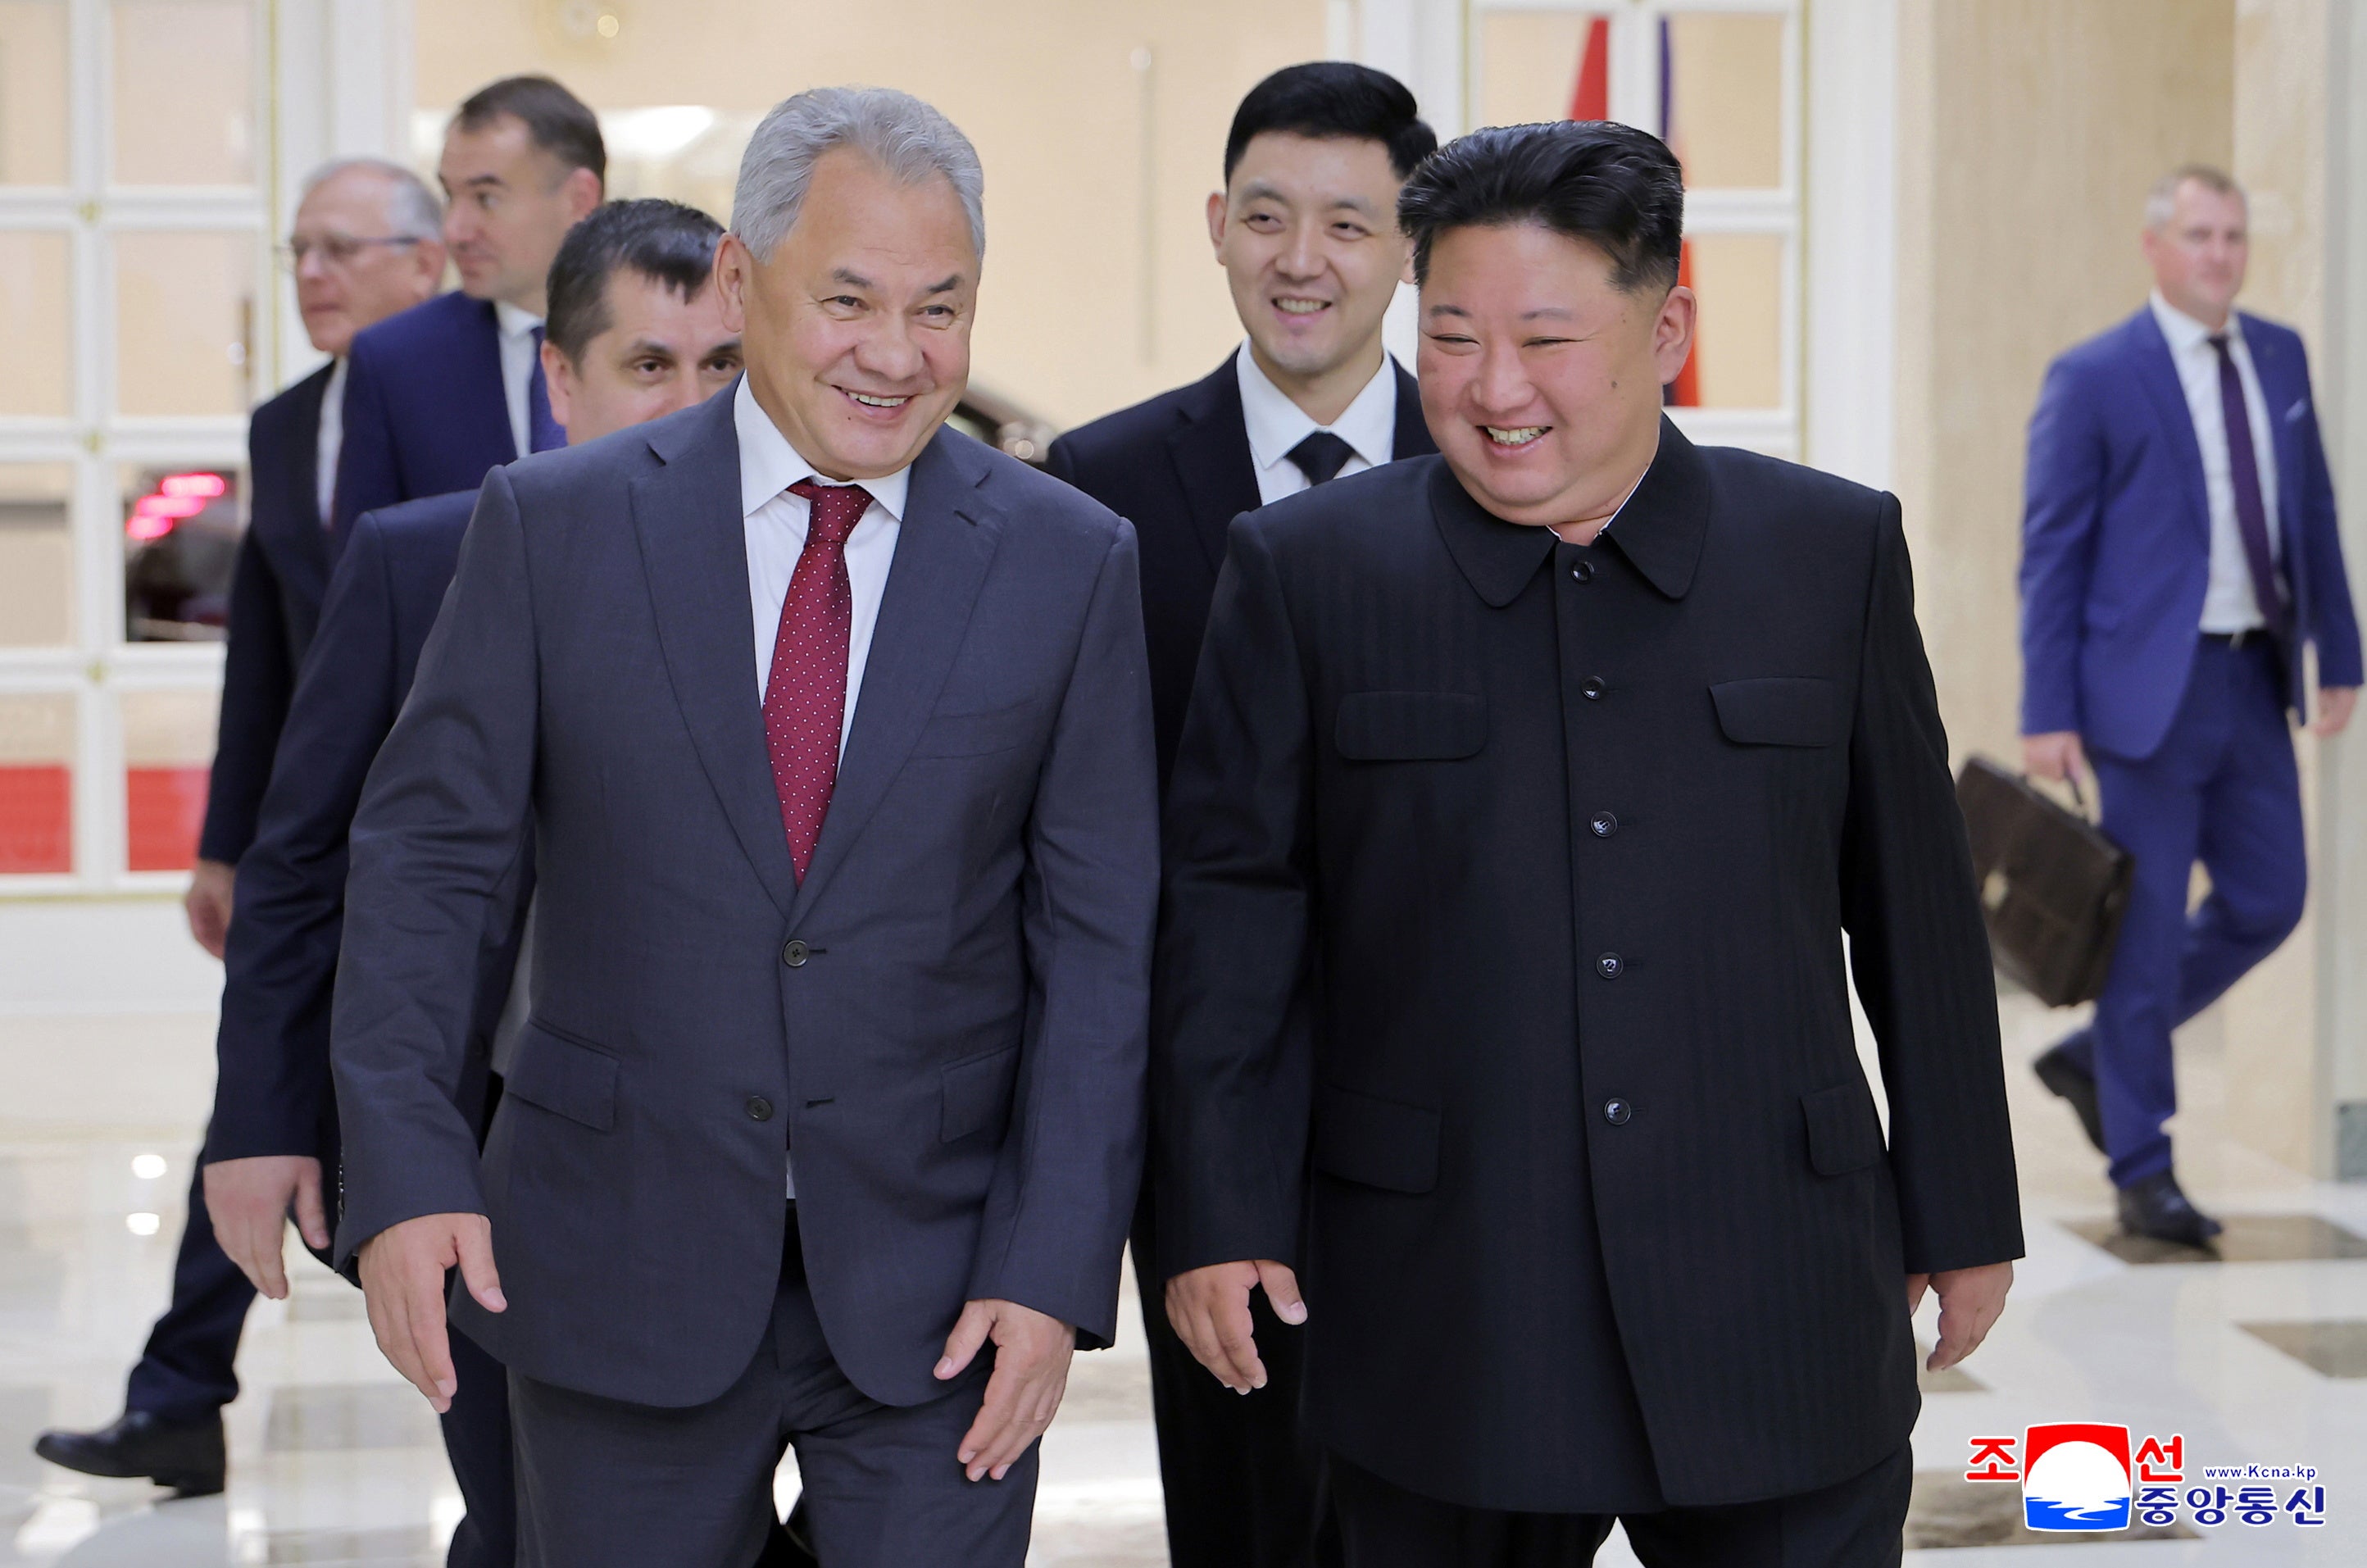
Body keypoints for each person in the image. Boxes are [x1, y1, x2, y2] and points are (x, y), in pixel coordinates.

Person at [1154, 120, 2024, 1567]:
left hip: (1775, 1289)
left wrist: (1964, 1205)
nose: (1495, 391)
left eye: (1547, 338)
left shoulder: (1824, 552)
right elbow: (1235, 910)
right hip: (1445, 1299)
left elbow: (1915, 908)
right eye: (1451, 337)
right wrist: (1219, 1208)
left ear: (1667, 323)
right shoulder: (1308, 571)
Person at [330, 87, 1157, 1568]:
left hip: (941, 1292)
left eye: (939, 306)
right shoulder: (553, 524)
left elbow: (1096, 939)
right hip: (609, 1256)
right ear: (737, 276)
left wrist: (1052, 1266)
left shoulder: (1067, 560)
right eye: (847, 299)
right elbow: (427, 866)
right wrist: (406, 1167)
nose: (897, 355)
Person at [193, 198, 743, 1568]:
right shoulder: (418, 557)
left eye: (721, 366)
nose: (692, 402)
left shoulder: (805, 571)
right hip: (483, 1150)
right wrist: (257, 1122)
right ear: (561, 381)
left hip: (728, 1158)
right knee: (525, 1514)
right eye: (648, 365)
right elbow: (304, 857)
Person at [1044, 61, 1434, 1568]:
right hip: (1214, 1112)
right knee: (1248, 1507)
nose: (1301, 258)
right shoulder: (1107, 488)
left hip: (1461, 1100)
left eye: (1348, 223)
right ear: (1215, 226)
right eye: (1265, 215)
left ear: (1408, 243)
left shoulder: (1491, 465)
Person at [32, 157, 444, 1501]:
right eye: (298, 251)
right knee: (255, 1095)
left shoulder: (492, 409)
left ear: (425, 262)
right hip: (322, 838)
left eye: (342, 247)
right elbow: (263, 657)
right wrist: (225, 843)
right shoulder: (281, 426)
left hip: (448, 837)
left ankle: (187, 1386)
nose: (312, 274)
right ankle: (179, 1389)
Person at [2021, 166, 2360, 1247]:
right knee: (2147, 929)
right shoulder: (2097, 376)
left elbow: (2313, 511)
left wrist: (2338, 651)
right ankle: (2142, 1162)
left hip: (2253, 677)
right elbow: (2053, 553)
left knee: (2270, 897)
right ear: (2156, 246)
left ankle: (2094, 1061)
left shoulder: (2278, 354)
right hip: (2141, 700)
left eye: (2233, 235)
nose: (2220, 253)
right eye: (2200, 235)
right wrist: (2048, 704)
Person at [331, 75, 603, 534]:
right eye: (450, 196)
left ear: (579, 199)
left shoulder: (675, 343)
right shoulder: (395, 362)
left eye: (486, 198)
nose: (454, 229)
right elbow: (367, 580)